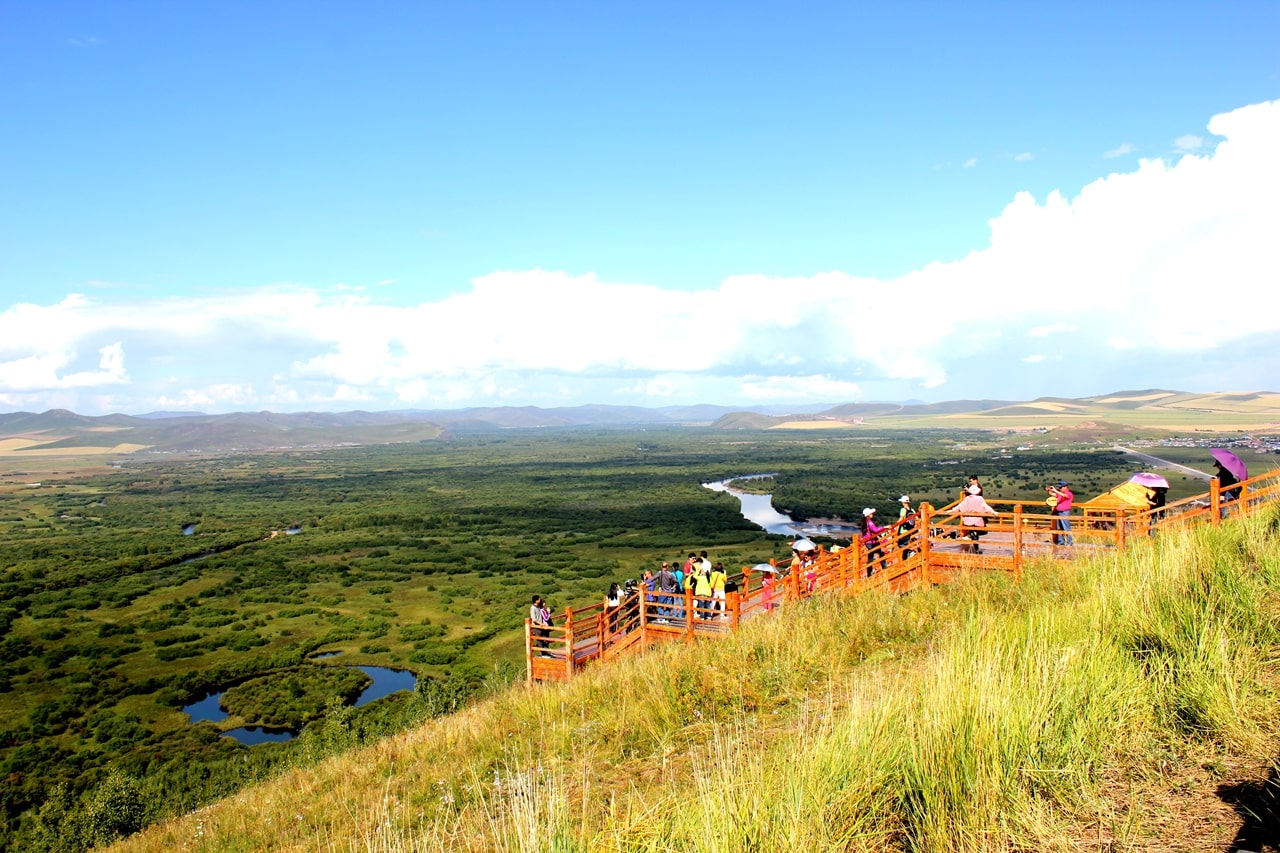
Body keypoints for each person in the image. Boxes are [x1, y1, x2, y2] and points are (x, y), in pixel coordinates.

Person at [861, 507, 886, 576]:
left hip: (868, 542)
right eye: (871, 513)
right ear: (868, 514)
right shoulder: (870, 522)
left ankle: (870, 573)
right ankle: (884, 567)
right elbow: (875, 530)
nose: (872, 514)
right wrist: (884, 527)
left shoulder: (865, 522)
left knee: (871, 557)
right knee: (880, 553)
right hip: (872, 542)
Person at [1048, 481, 1074, 545]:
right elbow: (1053, 494)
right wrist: (1049, 490)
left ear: (1065, 487)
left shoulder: (1069, 493)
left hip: (1064, 512)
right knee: (1059, 528)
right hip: (1059, 512)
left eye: (1060, 487)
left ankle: (1069, 542)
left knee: (1066, 527)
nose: (1059, 489)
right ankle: (1061, 541)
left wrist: (1055, 491)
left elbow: (1065, 496)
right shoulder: (1060, 494)